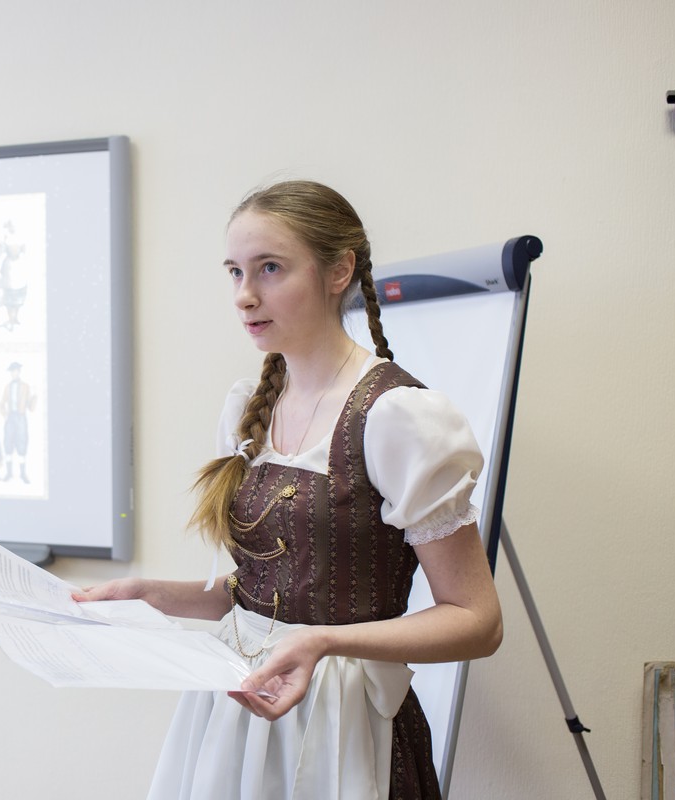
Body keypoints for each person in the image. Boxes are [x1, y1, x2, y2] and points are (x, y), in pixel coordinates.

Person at [74, 180, 502, 799]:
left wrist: (324, 642)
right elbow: (267, 593)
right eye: (235, 272)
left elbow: (477, 621)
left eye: (270, 268)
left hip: (341, 725)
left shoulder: (396, 417)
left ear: (339, 271)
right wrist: (150, 594)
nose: (244, 295)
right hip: (234, 709)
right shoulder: (249, 408)